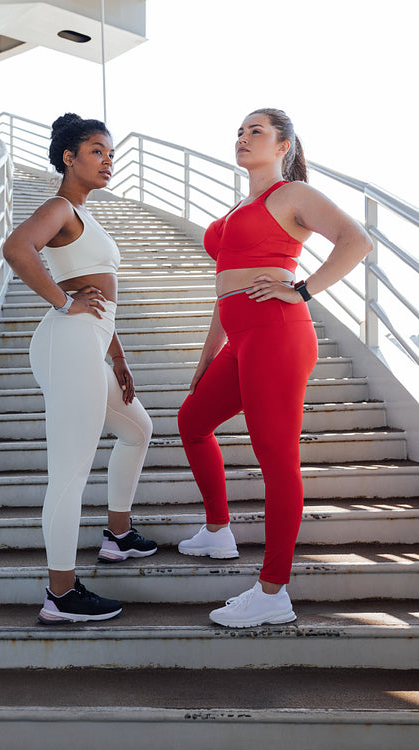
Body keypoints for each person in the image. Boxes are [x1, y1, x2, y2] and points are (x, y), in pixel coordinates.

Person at [177, 108, 373, 628]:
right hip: (239, 340)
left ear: (283, 144)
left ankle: (272, 592)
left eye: (255, 131)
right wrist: (206, 359)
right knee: (192, 421)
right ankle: (218, 532)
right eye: (239, 132)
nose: (242, 138)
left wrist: (302, 289)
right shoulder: (241, 204)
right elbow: (225, 288)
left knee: (276, 458)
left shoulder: (292, 195)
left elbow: (358, 241)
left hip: (277, 335)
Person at [3, 113, 156, 625]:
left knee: (139, 430)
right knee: (69, 471)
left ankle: (116, 535)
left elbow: (99, 295)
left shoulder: (87, 215)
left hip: (91, 343)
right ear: (68, 157)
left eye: (111, 153)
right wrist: (61, 302)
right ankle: (62, 594)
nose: (108, 160)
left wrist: (118, 355)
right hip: (67, 341)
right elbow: (17, 248)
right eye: (96, 150)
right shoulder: (60, 205)